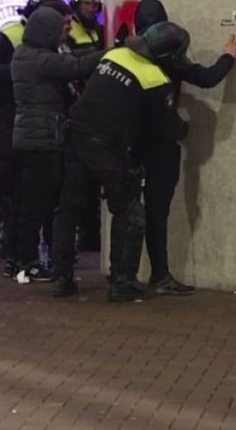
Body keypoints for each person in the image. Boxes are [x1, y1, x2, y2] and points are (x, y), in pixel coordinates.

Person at [51, 21, 191, 302]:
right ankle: (122, 282)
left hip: (75, 136)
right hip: (107, 147)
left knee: (69, 209)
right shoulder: (154, 78)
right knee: (130, 210)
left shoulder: (113, 55)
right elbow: (167, 126)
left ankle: (61, 278)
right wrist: (186, 127)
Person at [131, 0, 236, 295]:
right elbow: (207, 78)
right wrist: (228, 56)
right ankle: (159, 275)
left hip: (130, 142)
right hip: (161, 144)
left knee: (128, 211)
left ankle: (125, 275)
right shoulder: (170, 57)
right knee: (157, 211)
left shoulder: (126, 54)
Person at [0, 0, 71, 277]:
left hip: (40, 119)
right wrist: (26, 71)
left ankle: (25, 250)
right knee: (2, 179)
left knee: (34, 191)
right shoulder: (9, 35)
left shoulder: (58, 41)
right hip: (9, 114)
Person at [11, 7, 104, 281]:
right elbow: (76, 66)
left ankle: (28, 259)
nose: (68, 31)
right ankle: (27, 262)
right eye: (62, 28)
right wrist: (112, 52)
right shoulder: (40, 59)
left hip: (32, 138)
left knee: (34, 203)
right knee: (37, 205)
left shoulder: (26, 55)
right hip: (41, 140)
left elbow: (72, 59)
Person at [65, 0, 106, 253]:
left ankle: (91, 235)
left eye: (95, 4)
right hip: (75, 106)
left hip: (95, 107)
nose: (92, 8)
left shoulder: (99, 30)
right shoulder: (69, 31)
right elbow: (71, 65)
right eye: (88, 3)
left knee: (93, 180)